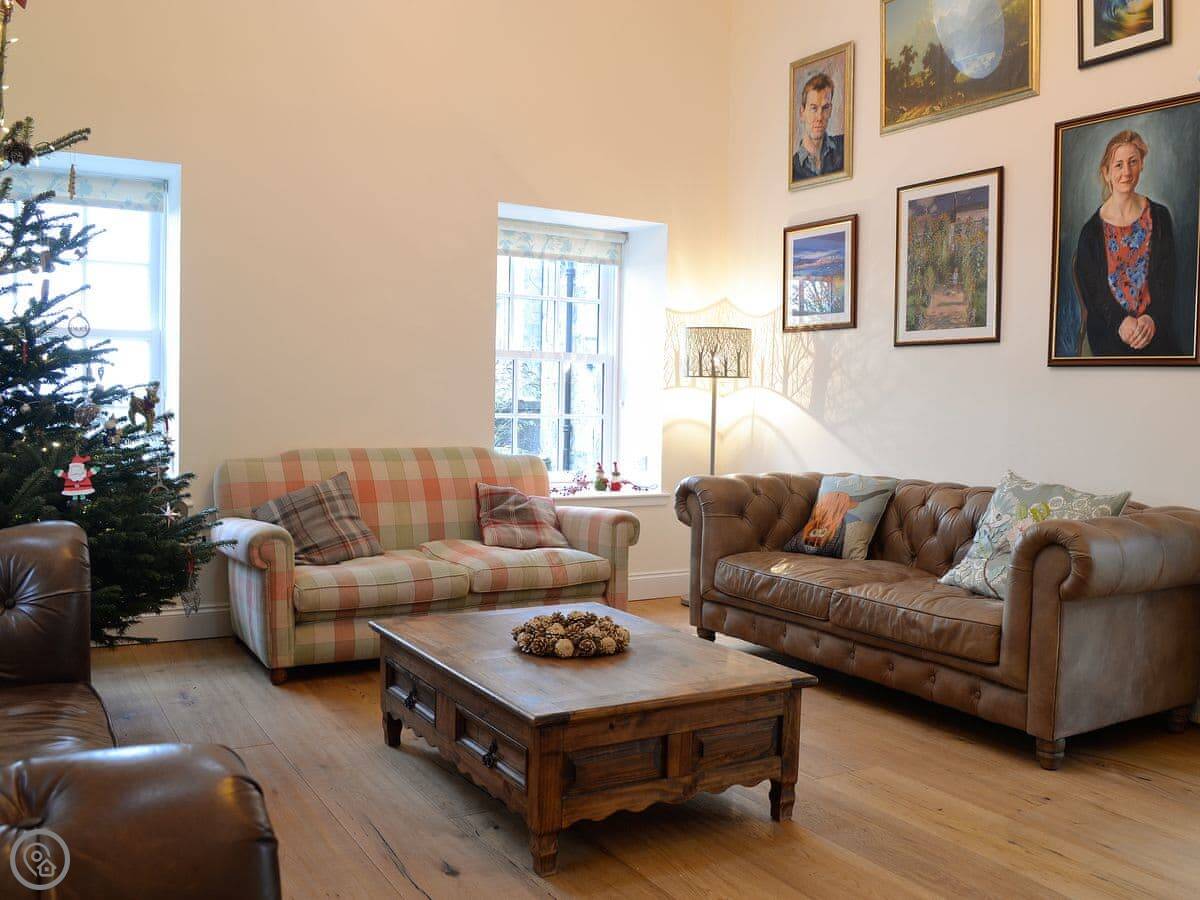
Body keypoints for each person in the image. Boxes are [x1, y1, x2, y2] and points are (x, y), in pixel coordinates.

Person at [1073, 129, 1179, 357]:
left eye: (1133, 162)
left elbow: (1167, 278)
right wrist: (1121, 322)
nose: (1127, 172)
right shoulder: (1090, 233)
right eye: (1118, 165)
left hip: (1155, 334)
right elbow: (1094, 293)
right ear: (1106, 173)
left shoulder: (1160, 217)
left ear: (1142, 165)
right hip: (1109, 337)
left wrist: (1151, 318)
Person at [792, 72, 844, 182]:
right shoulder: (792, 168)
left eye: (825, 108)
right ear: (802, 112)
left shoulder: (844, 146)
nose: (819, 117)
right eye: (813, 108)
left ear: (830, 110)